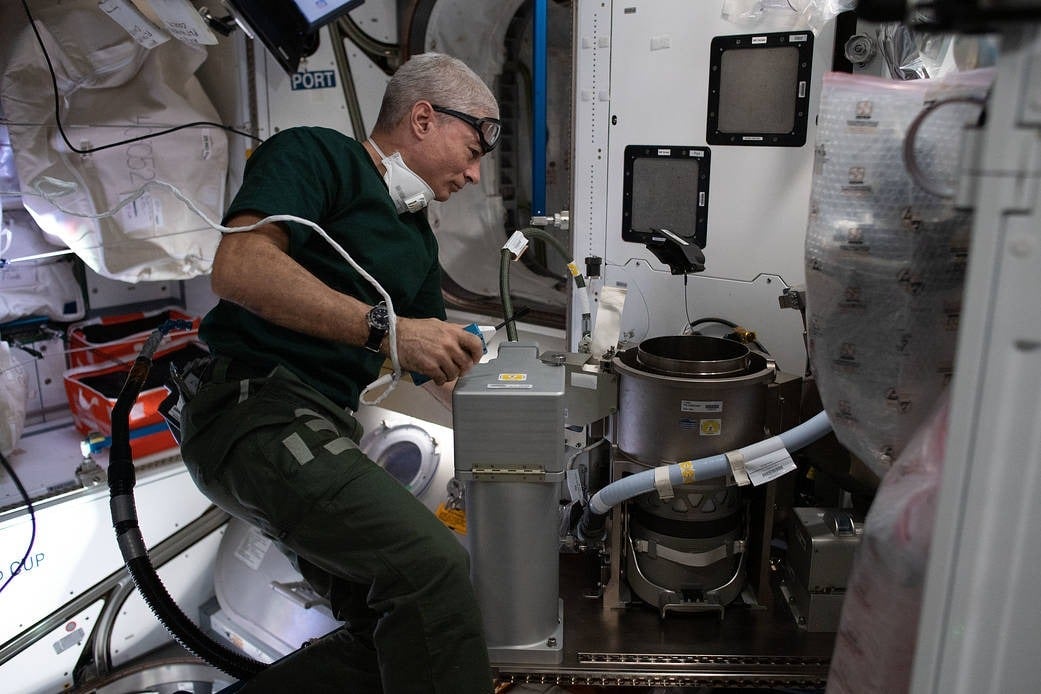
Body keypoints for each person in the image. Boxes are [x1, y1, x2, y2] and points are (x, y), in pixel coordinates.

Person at [179, 52, 500, 693]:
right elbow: (238, 268)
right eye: (471, 152)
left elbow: (442, 364)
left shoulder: (415, 237)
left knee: (391, 632)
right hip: (255, 411)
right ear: (423, 118)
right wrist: (388, 330)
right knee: (431, 570)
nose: (473, 174)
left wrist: (532, 424)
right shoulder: (318, 156)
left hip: (318, 423)